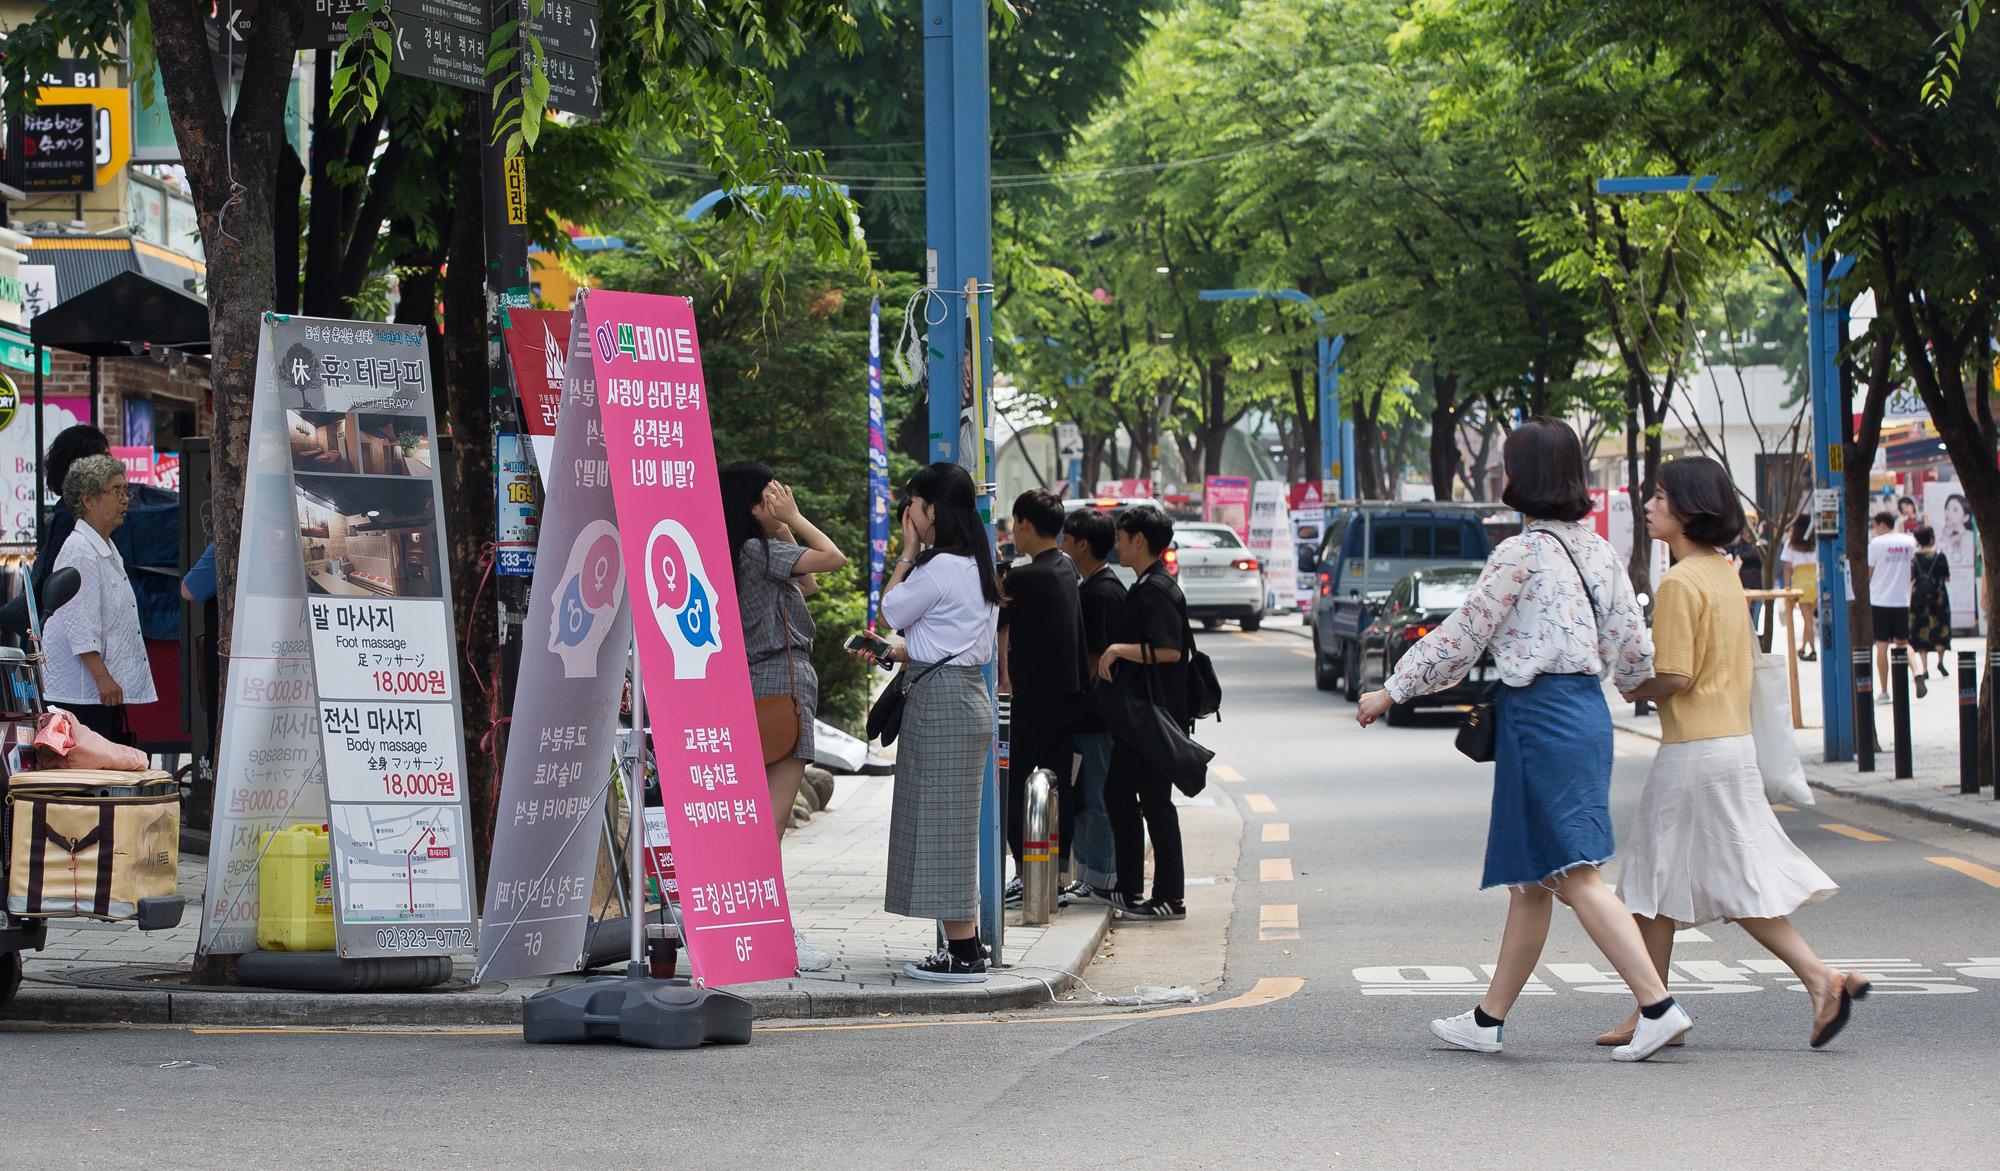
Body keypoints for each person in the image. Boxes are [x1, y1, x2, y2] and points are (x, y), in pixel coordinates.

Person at [1357, 417, 1687, 1061]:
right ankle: (1487, 1020)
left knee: (1573, 871)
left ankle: (1659, 1005)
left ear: (1526, 476)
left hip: (1540, 718)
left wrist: (1391, 690)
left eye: (1508, 464)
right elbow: (1633, 650)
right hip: (1587, 714)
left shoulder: (1520, 553)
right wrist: (1635, 682)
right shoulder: (1599, 551)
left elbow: (1463, 635)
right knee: (1532, 881)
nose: (1503, 475)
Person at [1608, 456, 1866, 1049]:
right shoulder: (1724, 573)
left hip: (1693, 751)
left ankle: (1658, 1009)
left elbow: (1674, 674)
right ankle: (1810, 980)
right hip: (1731, 745)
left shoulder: (1677, 583)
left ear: (1689, 509)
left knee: (1653, 879)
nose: (1649, 505)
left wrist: (1629, 687)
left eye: (1661, 497)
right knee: (1705, 878)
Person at [861, 462, 1002, 983]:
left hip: (942, 704)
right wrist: (901, 651)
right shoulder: (975, 563)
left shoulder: (937, 567)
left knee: (944, 829)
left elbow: (891, 608)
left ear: (931, 511)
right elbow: (943, 640)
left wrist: (906, 551)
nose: (908, 514)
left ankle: (965, 954)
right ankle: (962, 948)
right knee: (949, 827)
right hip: (964, 697)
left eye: (914, 506)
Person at [719, 461, 848, 974]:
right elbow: (833, 557)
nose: (785, 499)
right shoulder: (756, 551)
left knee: (759, 820)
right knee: (770, 822)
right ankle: (773, 930)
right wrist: (794, 517)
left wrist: (782, 521)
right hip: (781, 682)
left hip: (765, 683)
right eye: (774, 495)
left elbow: (811, 584)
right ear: (754, 506)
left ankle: (755, 924)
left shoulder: (754, 553)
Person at [1097, 504, 1194, 922]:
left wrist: (1118, 649)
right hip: (1137, 716)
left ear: (1140, 541)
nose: (1117, 544)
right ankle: (1130, 887)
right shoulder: (1147, 583)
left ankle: (1170, 897)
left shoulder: (1156, 588)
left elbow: (1170, 650)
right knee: (1118, 792)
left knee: (1156, 802)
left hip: (1154, 715)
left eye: (1121, 537)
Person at [997, 490, 1089, 908]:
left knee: (1017, 785)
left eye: (1016, 524)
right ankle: (1057, 876)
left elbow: (997, 626)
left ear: (1026, 526)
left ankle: (1023, 874)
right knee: (1059, 789)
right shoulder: (1067, 568)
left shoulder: (1023, 577)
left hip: (1029, 699)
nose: (1013, 531)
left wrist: (1004, 676)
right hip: (1068, 696)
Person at [43, 455, 156, 746]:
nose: (125, 499)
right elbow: (79, 622)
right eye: (115, 491)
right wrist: (103, 678)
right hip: (83, 694)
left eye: (125, 490)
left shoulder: (104, 545)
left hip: (97, 692)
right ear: (88, 500)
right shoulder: (80, 550)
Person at [1061, 507, 1125, 900]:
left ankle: (1103, 876)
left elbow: (1096, 658)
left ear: (1083, 544)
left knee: (1096, 796)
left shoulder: (1103, 593)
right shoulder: (1092, 586)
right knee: (1084, 796)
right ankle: (1090, 874)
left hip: (1097, 716)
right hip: (1086, 714)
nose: (1063, 544)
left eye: (1067, 539)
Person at [2, 424, 111, 637]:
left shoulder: (74, 515)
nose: (111, 466)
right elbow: (66, 598)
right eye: (103, 459)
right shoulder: (71, 519)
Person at [1867, 511, 1917, 702]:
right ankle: (1916, 671)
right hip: (1902, 599)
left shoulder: (1876, 544)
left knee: (1881, 645)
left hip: (1880, 599)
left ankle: (1884, 690)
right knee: (1903, 642)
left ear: (1881, 524)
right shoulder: (1909, 542)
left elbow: (1868, 573)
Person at [1909, 526, 1952, 690]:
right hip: (1938, 599)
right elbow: (1946, 577)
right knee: (1940, 628)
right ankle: (1940, 662)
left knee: (1921, 630)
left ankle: (1924, 668)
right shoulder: (1939, 556)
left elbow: (1911, 577)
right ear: (1931, 538)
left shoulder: (1914, 558)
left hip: (1919, 600)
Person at [1780, 514, 1818, 662]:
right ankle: (1802, 649)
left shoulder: (1791, 543)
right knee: (1808, 618)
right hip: (1814, 583)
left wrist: (1787, 587)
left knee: (1806, 619)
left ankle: (1813, 651)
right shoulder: (1815, 542)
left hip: (1800, 584)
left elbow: (1788, 568)